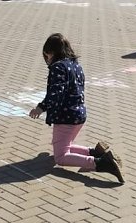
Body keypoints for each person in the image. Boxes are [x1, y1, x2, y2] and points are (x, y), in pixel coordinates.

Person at [28, 33, 124, 183]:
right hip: (79, 114)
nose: (46, 59)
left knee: (60, 157)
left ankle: (101, 163)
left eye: (46, 55)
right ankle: (96, 152)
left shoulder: (57, 67)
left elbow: (56, 93)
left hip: (66, 117)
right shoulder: (75, 65)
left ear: (50, 52)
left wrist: (41, 107)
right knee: (65, 146)